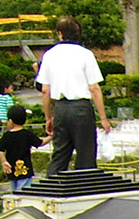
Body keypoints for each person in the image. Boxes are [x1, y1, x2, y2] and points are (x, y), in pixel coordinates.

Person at [36, 16, 111, 174]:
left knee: (60, 155)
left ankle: (54, 190)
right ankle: (84, 192)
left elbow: (45, 90)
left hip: (61, 108)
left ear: (60, 34)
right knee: (86, 155)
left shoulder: (49, 55)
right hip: (81, 109)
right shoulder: (85, 54)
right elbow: (94, 88)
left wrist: (48, 117)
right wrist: (103, 118)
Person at [0, 105, 50, 192]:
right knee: (24, 192)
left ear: (10, 121)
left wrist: (4, 161)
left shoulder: (6, 136)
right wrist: (51, 136)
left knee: (14, 193)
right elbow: (40, 143)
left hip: (11, 170)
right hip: (25, 170)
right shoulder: (27, 134)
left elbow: (0, 150)